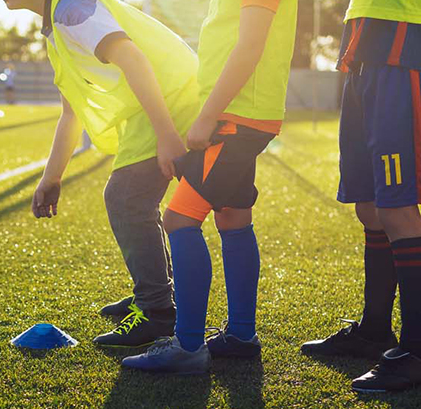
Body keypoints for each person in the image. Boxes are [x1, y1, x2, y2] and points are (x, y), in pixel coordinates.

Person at [5, 0, 199, 347]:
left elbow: (133, 58)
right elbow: (71, 113)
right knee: (131, 198)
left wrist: (167, 134)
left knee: (126, 198)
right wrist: (52, 177)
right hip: (161, 102)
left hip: (171, 98)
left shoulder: (71, 10)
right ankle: (158, 294)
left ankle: (157, 310)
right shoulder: (56, 27)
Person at [122, 0, 298, 374]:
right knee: (232, 218)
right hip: (243, 112)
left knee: (179, 221)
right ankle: (241, 336)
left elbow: (250, 46)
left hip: (236, 115)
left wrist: (206, 116)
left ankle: (187, 346)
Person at [299, 0, 421, 393]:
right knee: (368, 206)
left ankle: (417, 353)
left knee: (397, 206)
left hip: (403, 51)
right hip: (363, 52)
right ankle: (374, 330)